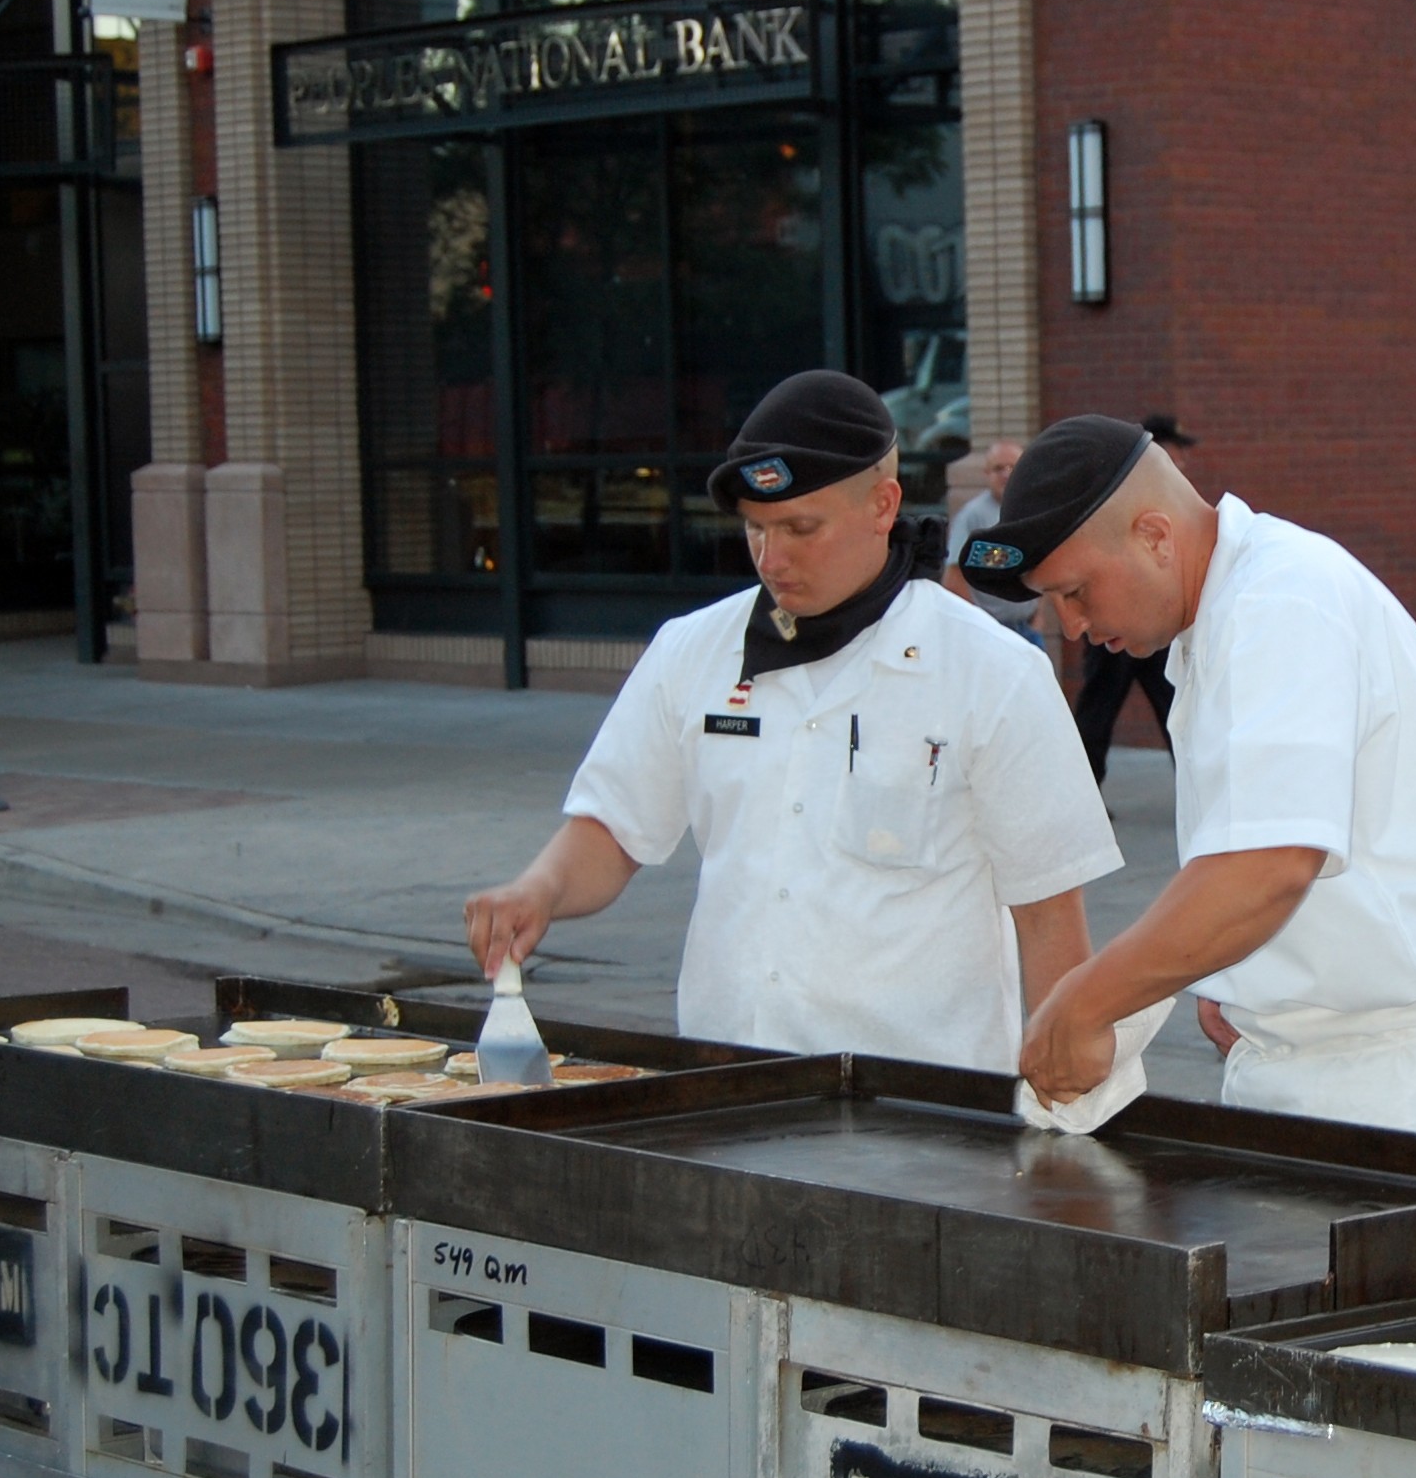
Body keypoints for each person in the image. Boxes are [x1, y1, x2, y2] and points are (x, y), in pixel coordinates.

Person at [464, 371, 1122, 1073]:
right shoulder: (692, 650)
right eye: (755, 528)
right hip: (727, 1080)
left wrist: (1067, 1094)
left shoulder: (991, 671)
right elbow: (613, 827)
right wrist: (540, 889)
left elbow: (1050, 912)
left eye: (801, 528)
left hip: (918, 1110)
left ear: (883, 504)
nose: (771, 559)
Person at [962, 414, 1416, 1146]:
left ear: (1154, 535)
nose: (1073, 624)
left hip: (1403, 1092)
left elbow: (1267, 866)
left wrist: (1085, 1000)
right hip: (1326, 1074)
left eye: (1077, 590)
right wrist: (1237, 976)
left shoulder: (1278, 599)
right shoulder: (1231, 613)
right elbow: (1261, 867)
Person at [1066, 415, 1188, 784]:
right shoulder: (1126, 496)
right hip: (1116, 619)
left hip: (1155, 622)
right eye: (1177, 451)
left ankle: (1193, 786)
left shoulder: (1164, 496)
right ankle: (1083, 792)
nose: (1183, 460)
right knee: (1099, 710)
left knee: (1175, 707)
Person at [946, 438, 1049, 647]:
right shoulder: (972, 516)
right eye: (998, 468)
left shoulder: (1035, 513)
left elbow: (1047, 566)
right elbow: (953, 578)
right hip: (989, 635)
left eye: (1013, 467)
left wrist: (1039, 617)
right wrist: (979, 624)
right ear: (987, 473)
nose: (1006, 474)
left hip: (1028, 631)